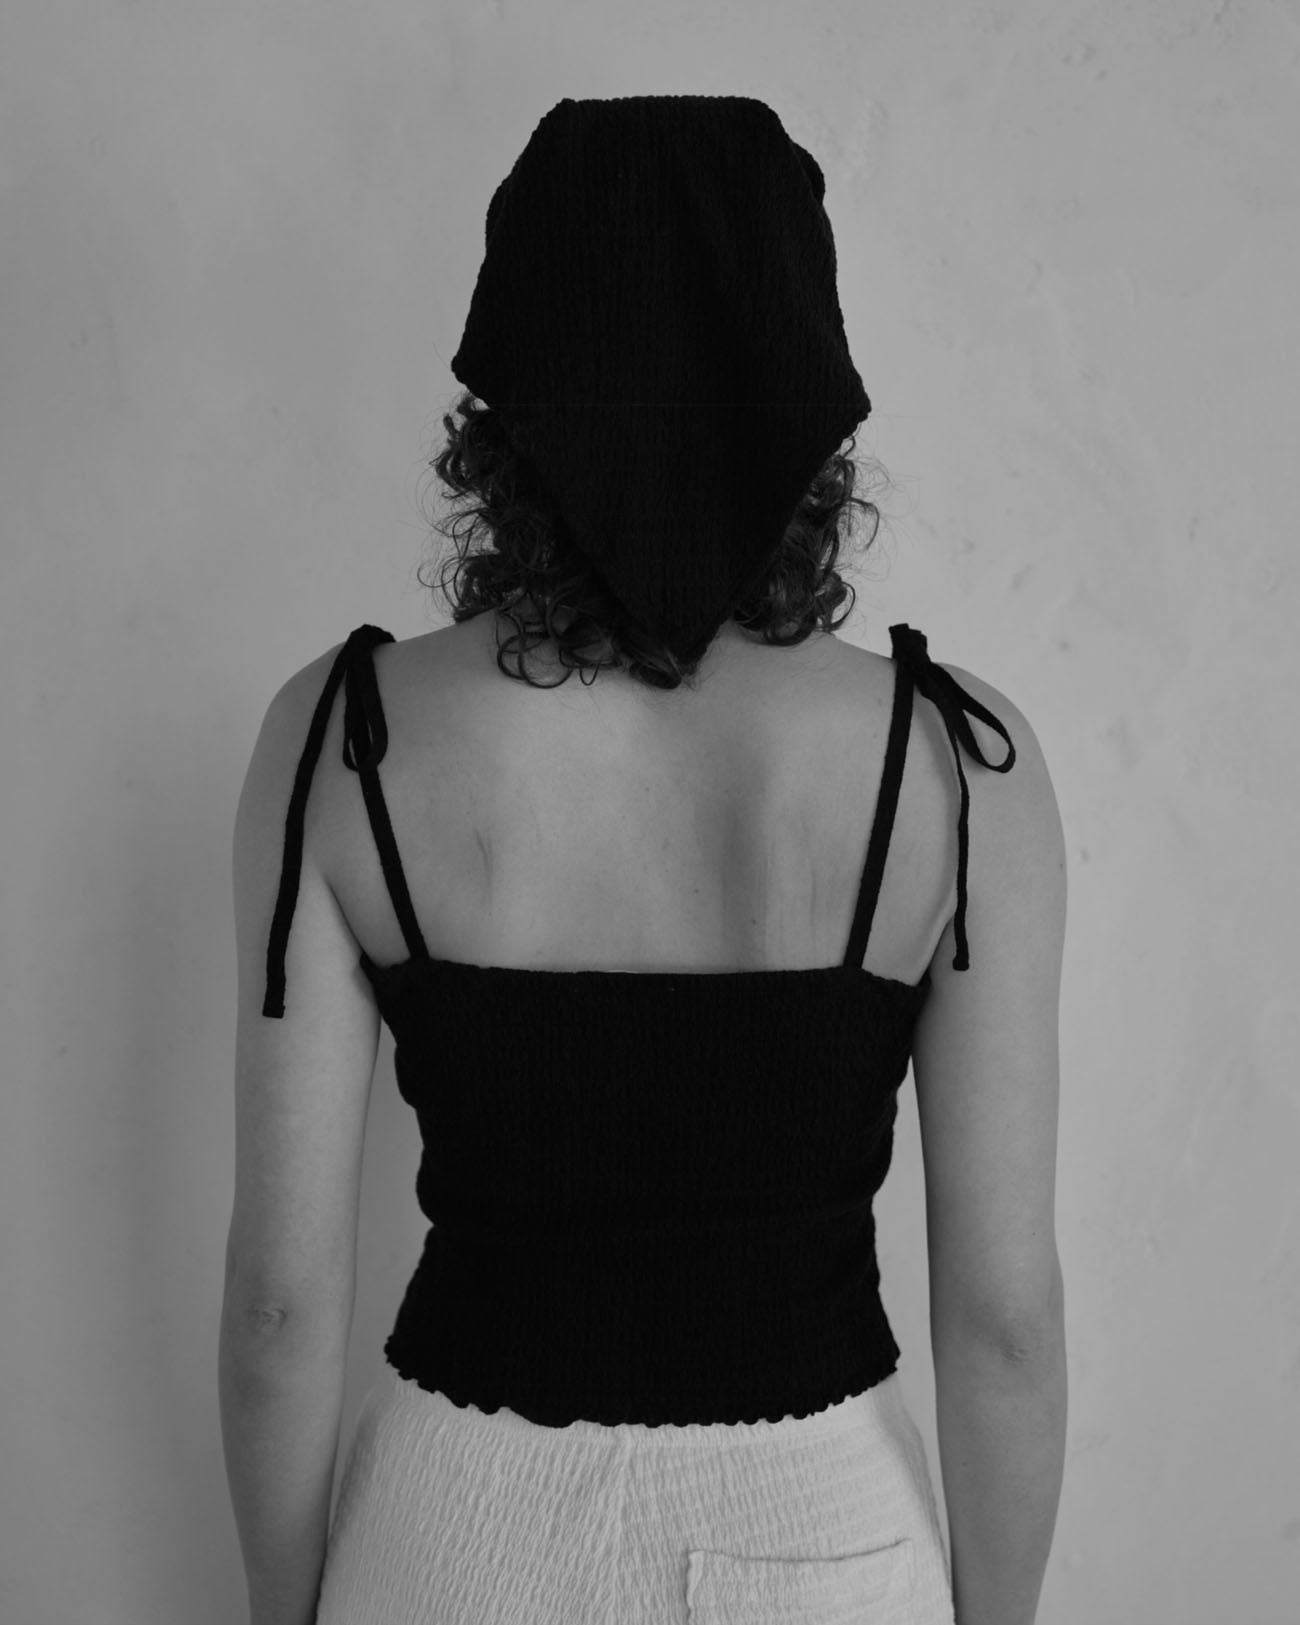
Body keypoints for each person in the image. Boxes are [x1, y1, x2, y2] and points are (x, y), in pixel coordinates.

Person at [220, 96, 1068, 1625]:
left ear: (510, 394)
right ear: (803, 391)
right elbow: (1002, 1319)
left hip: (448, 1540)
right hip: (819, 1535)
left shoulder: (342, 738)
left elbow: (281, 1305)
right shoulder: (956, 766)